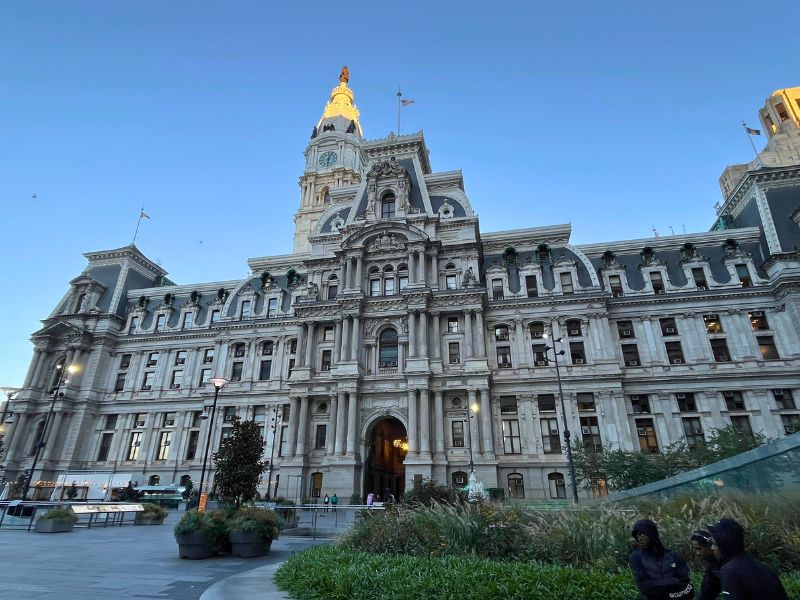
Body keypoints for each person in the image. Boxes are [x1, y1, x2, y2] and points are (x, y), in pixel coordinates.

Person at [709, 518, 787, 600]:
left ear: (724, 544)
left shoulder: (729, 571)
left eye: (714, 544)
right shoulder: (763, 567)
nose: (712, 548)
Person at [629, 519, 694, 600]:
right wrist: (673, 581)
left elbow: (687, 586)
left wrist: (668, 595)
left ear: (651, 534)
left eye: (642, 534)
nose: (639, 538)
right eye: (637, 536)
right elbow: (644, 587)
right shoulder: (636, 557)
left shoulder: (674, 556)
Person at [690, 530, 720, 600]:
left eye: (699, 549)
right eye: (695, 549)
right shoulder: (712, 565)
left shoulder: (719, 567)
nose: (697, 553)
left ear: (709, 546)